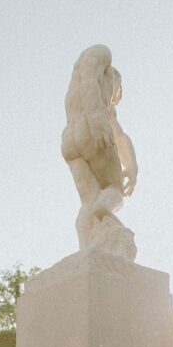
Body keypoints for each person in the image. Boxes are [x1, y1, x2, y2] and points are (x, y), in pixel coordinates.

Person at [61, 44, 139, 257]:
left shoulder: (75, 87)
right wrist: (96, 117)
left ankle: (86, 251)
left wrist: (132, 164)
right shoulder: (102, 54)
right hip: (90, 132)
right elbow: (120, 137)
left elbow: (85, 77)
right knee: (115, 189)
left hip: (69, 138)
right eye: (116, 93)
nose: (114, 99)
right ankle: (103, 211)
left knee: (88, 201)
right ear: (114, 79)